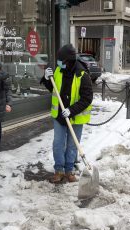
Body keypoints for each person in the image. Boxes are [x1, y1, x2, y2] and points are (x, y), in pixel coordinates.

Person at [41, 44, 93, 183]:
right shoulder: (59, 70)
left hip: (75, 117)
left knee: (72, 145)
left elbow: (87, 98)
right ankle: (59, 170)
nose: (58, 62)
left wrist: (71, 110)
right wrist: (46, 78)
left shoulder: (82, 75)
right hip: (59, 116)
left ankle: (69, 171)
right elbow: (52, 88)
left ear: (68, 61)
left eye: (60, 60)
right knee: (58, 143)